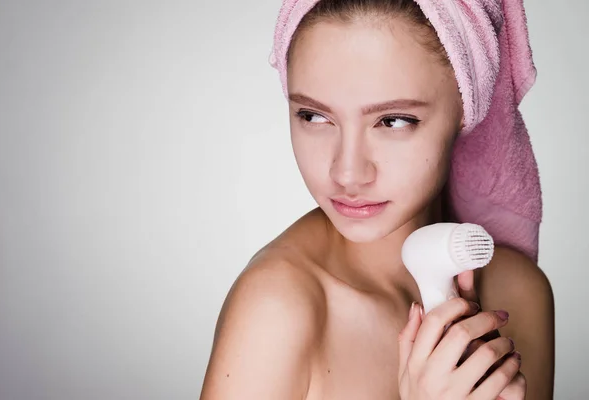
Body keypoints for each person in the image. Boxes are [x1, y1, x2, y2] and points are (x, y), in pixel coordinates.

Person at [200, 0, 555, 398]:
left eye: (393, 120)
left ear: (467, 105)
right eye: (313, 116)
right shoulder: (278, 307)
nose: (347, 173)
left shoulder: (519, 292)